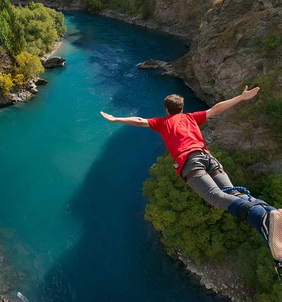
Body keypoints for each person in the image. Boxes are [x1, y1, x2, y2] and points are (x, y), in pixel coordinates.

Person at [100, 86, 282, 263]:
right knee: (233, 192)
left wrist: (115, 119)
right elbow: (215, 109)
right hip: (208, 158)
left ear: (166, 109)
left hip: (190, 163)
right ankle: (270, 212)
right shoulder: (190, 117)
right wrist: (240, 98)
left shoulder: (162, 122)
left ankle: (262, 217)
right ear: (182, 108)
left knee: (216, 197)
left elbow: (140, 120)